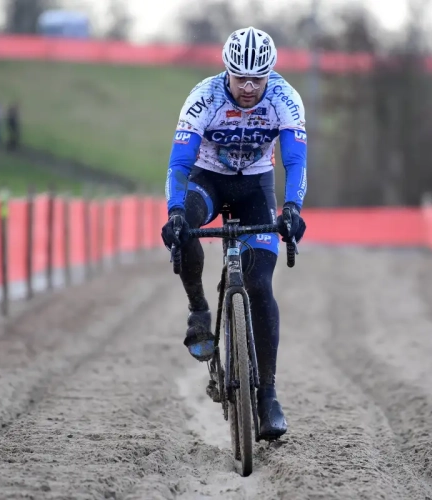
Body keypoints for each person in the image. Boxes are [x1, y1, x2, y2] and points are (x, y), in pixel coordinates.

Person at [160, 26, 308, 440]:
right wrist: (175, 212)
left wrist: (293, 208)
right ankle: (199, 310)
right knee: (185, 225)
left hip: (255, 188)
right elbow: (179, 165)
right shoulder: (203, 98)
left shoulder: (285, 100)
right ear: (225, 70)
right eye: (239, 76)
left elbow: (296, 163)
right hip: (209, 180)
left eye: (257, 78)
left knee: (260, 283)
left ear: (270, 74)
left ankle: (268, 397)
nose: (247, 86)